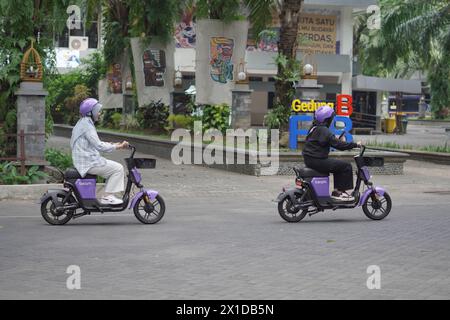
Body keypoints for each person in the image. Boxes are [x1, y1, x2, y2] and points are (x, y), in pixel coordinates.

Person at [70, 98, 129, 205]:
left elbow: (95, 143)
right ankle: (108, 196)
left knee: (112, 168)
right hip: (88, 162)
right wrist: (119, 147)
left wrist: (113, 144)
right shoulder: (87, 126)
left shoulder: (82, 123)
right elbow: (99, 146)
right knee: (118, 169)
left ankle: (108, 194)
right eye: (97, 110)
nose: (99, 113)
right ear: (90, 112)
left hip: (85, 160)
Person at [302, 106, 362, 201]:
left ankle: (337, 191)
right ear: (328, 119)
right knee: (346, 166)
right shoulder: (324, 130)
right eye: (331, 118)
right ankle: (339, 192)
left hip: (310, 159)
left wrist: (337, 141)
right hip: (318, 160)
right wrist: (355, 145)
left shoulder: (314, 128)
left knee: (337, 165)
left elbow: (328, 141)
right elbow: (339, 145)